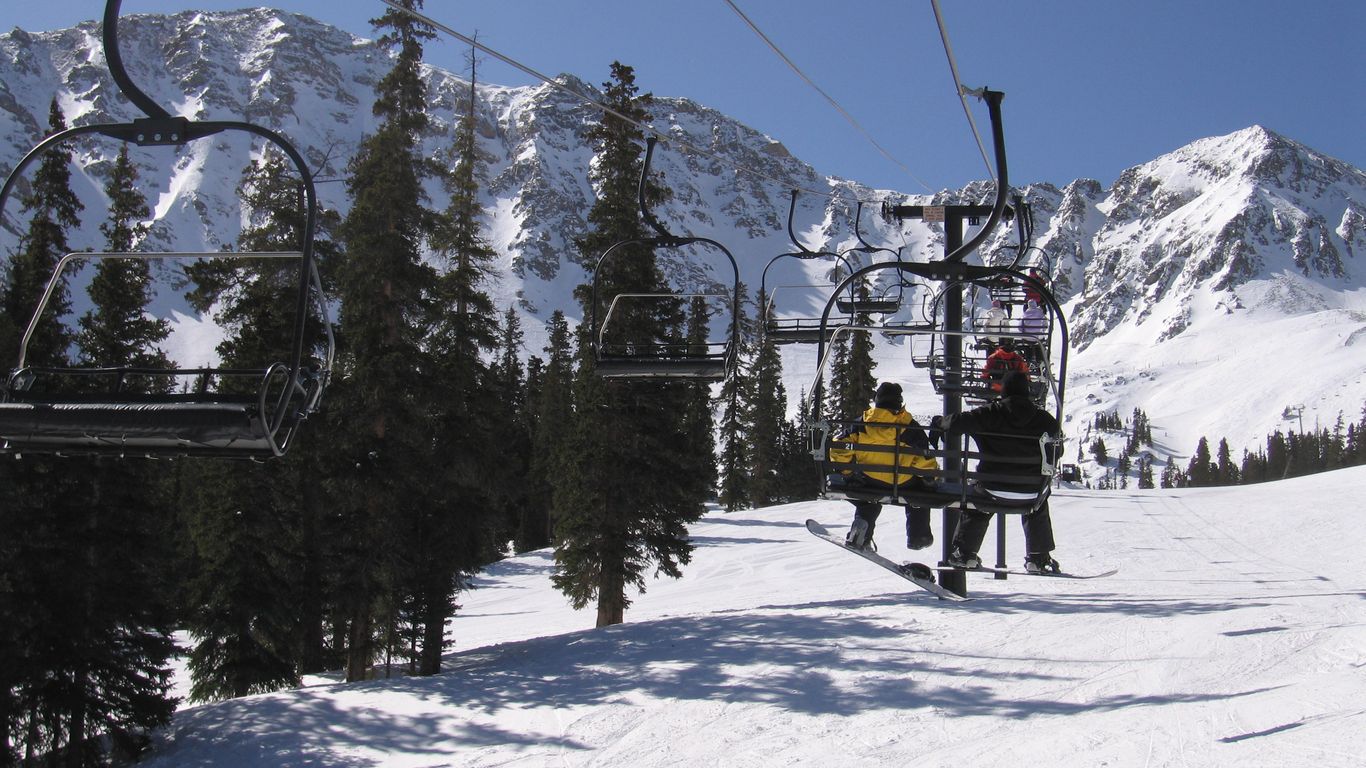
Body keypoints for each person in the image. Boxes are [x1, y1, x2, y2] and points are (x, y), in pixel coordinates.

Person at [932, 370, 1063, 574]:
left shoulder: (990, 413)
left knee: (978, 502)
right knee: (1038, 504)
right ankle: (1038, 558)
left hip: (991, 488)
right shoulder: (1045, 419)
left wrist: (940, 422)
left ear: (1004, 390)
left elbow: (957, 423)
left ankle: (964, 554)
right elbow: (1057, 451)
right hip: (1031, 493)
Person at [828, 382, 937, 552]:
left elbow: (839, 446)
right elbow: (924, 459)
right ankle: (919, 537)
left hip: (870, 480)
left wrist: (847, 472)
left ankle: (861, 533)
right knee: (919, 496)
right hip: (904, 483)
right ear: (899, 402)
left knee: (868, 501)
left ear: (877, 400)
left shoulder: (862, 423)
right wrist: (929, 479)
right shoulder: (910, 427)